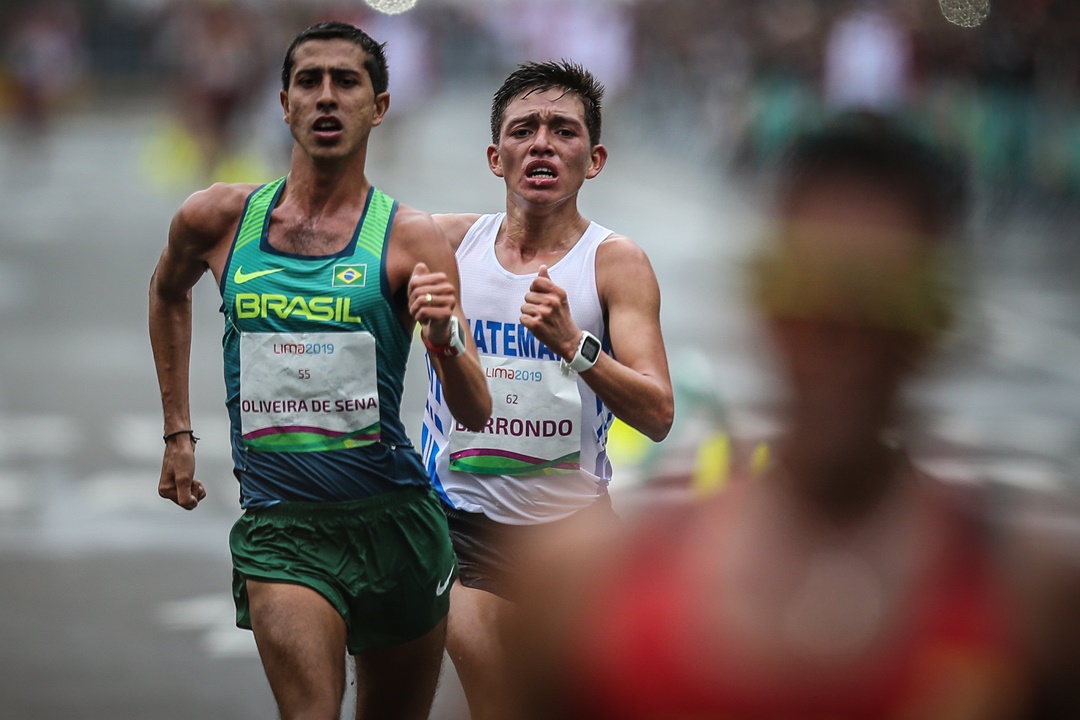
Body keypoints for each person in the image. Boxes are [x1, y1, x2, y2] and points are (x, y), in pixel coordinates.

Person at [509, 110, 1080, 719]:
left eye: (888, 300)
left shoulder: (1037, 594)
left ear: (939, 322)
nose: (844, 335)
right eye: (806, 289)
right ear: (763, 306)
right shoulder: (586, 580)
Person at [148, 21, 491, 720]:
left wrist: (444, 336)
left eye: (347, 82)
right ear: (283, 103)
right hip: (283, 527)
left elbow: (476, 410)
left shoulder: (409, 236)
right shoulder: (219, 218)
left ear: (380, 106)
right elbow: (167, 292)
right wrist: (177, 431)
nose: (327, 98)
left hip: (395, 521)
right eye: (310, 81)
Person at [420, 60, 675, 719]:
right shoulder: (445, 244)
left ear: (593, 159)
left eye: (562, 131)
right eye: (523, 129)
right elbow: (336, 235)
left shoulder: (615, 263)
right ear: (494, 156)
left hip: (572, 535)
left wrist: (575, 345)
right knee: (496, 691)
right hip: (458, 524)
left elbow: (657, 412)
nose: (541, 143)